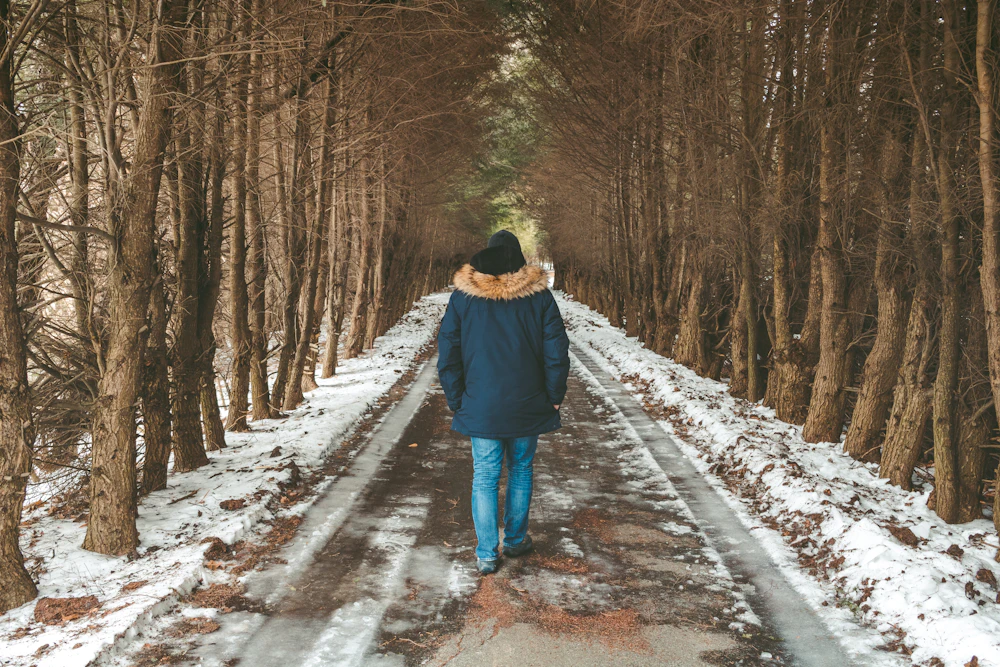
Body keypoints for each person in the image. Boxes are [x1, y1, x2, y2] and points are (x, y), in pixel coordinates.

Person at [437, 230, 570, 575]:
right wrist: (554, 397)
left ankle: (485, 553)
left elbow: (448, 351)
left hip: (480, 403)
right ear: (518, 259)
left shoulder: (463, 299)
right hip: (529, 401)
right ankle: (514, 540)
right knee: (521, 470)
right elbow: (557, 351)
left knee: (484, 475)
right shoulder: (538, 298)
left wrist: (456, 398)